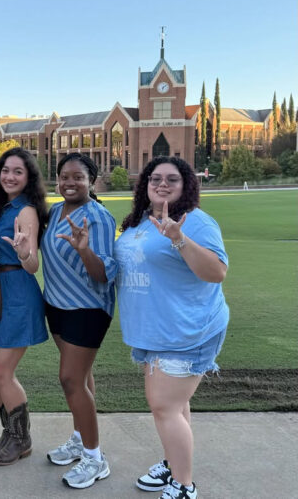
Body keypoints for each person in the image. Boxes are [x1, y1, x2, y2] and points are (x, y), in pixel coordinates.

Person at [115, 156, 228, 499]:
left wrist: (180, 239)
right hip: (155, 328)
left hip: (188, 329)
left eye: (172, 179)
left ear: (186, 185)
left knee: (163, 404)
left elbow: (217, 272)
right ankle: (173, 461)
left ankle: (184, 485)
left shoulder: (195, 221)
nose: (162, 184)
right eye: (155, 179)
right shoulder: (139, 222)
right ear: (145, 184)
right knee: (175, 407)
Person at [41, 153, 117, 489]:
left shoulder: (98, 218)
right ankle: (79, 438)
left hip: (87, 308)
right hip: (56, 305)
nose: (70, 183)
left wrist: (84, 249)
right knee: (82, 379)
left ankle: (94, 458)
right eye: (64, 177)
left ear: (92, 181)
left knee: (70, 379)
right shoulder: (56, 210)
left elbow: (102, 276)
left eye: (78, 177)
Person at [0, 147, 49, 466]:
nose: (10, 176)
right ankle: (10, 433)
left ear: (28, 177)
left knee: (1, 370)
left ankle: (22, 439)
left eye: (18, 172)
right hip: (0, 293)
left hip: (19, 293)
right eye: (5, 170)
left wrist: (24, 253)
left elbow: (33, 264)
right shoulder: (0, 207)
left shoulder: (26, 212)